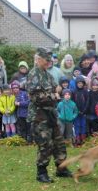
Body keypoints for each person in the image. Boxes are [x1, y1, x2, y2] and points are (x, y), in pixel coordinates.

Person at [26, 47, 72, 183]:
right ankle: (41, 173)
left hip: (51, 113)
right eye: (46, 60)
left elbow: (57, 87)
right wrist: (53, 94)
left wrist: (55, 92)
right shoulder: (33, 74)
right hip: (39, 116)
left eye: (50, 60)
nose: (48, 62)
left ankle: (61, 168)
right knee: (45, 144)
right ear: (38, 59)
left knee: (59, 142)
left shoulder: (47, 73)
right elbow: (36, 97)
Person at [72, 76, 88, 146]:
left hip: (83, 112)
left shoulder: (85, 91)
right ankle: (77, 138)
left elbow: (87, 101)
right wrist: (76, 110)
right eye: (78, 83)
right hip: (76, 112)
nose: (80, 84)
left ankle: (83, 137)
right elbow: (72, 102)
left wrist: (84, 110)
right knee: (77, 125)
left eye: (81, 83)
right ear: (76, 84)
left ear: (83, 84)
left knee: (83, 124)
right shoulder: (74, 91)